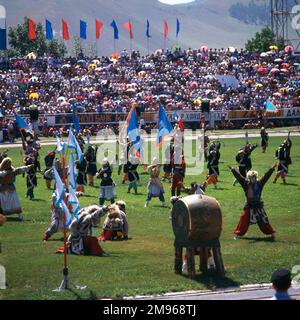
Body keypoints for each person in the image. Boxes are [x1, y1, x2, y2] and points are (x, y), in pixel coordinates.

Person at [228, 163, 277, 240]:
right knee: (243, 219)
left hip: (258, 205)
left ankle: (272, 233)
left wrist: (272, 168)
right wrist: (233, 170)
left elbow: (266, 176)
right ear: (248, 177)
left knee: (264, 221)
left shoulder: (260, 183)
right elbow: (239, 177)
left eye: (254, 177)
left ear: (256, 177)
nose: (252, 178)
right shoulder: (245, 183)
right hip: (249, 206)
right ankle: (237, 234)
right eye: (251, 177)